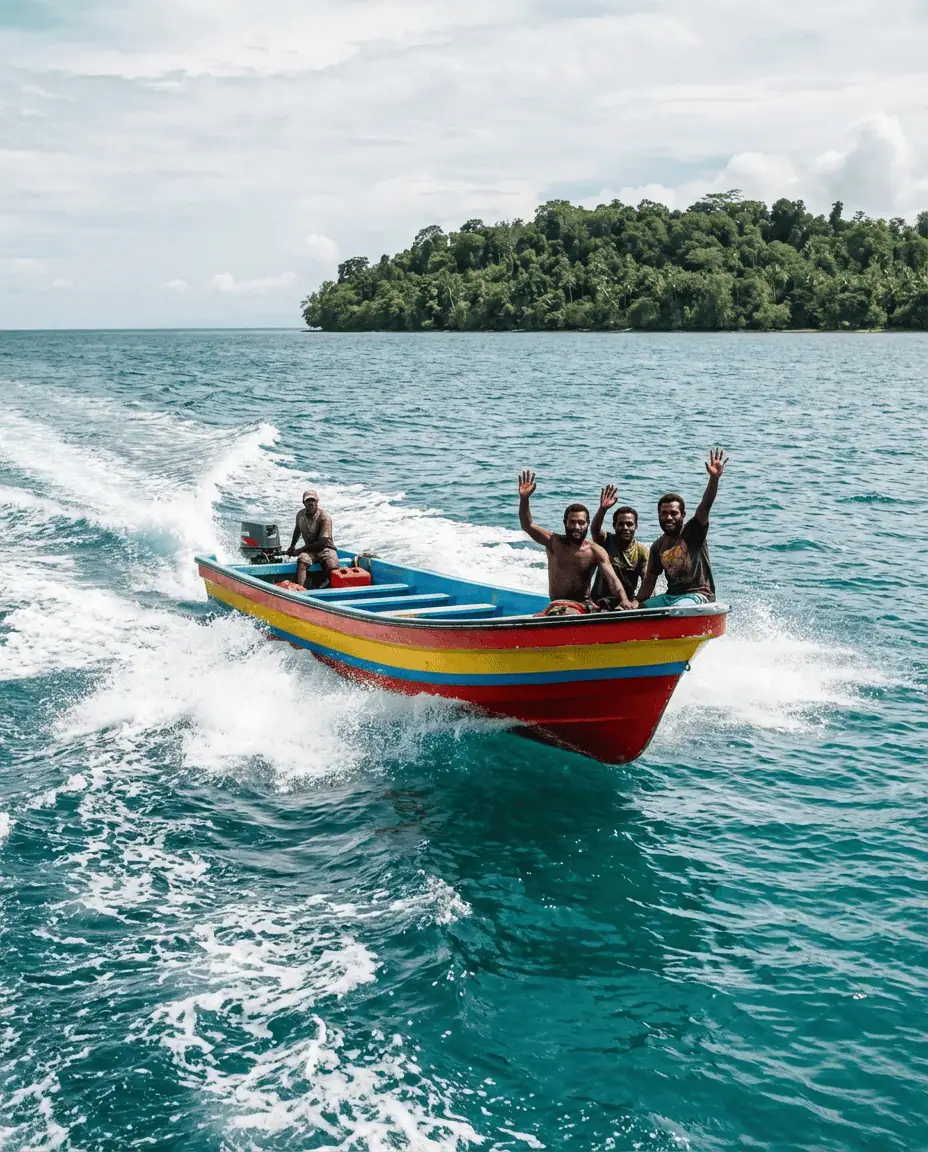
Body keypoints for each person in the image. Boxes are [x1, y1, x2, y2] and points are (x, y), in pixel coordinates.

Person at [518, 470, 631, 609]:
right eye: (572, 522)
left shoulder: (595, 551)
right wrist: (524, 499)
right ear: (565, 523)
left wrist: (624, 600)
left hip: (585, 604)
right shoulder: (553, 542)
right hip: (559, 605)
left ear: (587, 524)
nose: (576, 527)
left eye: (581, 523)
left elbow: (613, 580)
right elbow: (527, 525)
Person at [632, 447, 728, 608]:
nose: (669, 517)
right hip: (670, 597)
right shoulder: (658, 546)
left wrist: (714, 479)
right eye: (664, 513)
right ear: (658, 515)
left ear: (683, 515)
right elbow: (649, 581)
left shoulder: (693, 532)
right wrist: (635, 603)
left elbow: (705, 506)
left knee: (676, 610)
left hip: (698, 596)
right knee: (640, 610)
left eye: (674, 513)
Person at [589, 485, 649, 605]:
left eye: (629, 524)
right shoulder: (606, 541)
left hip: (627, 602)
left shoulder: (641, 550)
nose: (625, 528)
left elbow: (646, 581)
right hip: (600, 600)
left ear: (636, 526)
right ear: (614, 526)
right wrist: (603, 509)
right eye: (621, 524)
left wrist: (637, 602)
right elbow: (595, 530)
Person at [286, 489, 339, 587]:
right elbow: (297, 530)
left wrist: (301, 549)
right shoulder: (300, 515)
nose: (311, 503)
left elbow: (322, 543)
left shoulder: (324, 517)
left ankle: (325, 584)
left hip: (326, 548)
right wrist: (292, 546)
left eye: (313, 500)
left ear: (317, 501)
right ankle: (300, 588)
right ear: (303, 503)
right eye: (308, 500)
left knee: (332, 564)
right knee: (302, 559)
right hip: (310, 550)